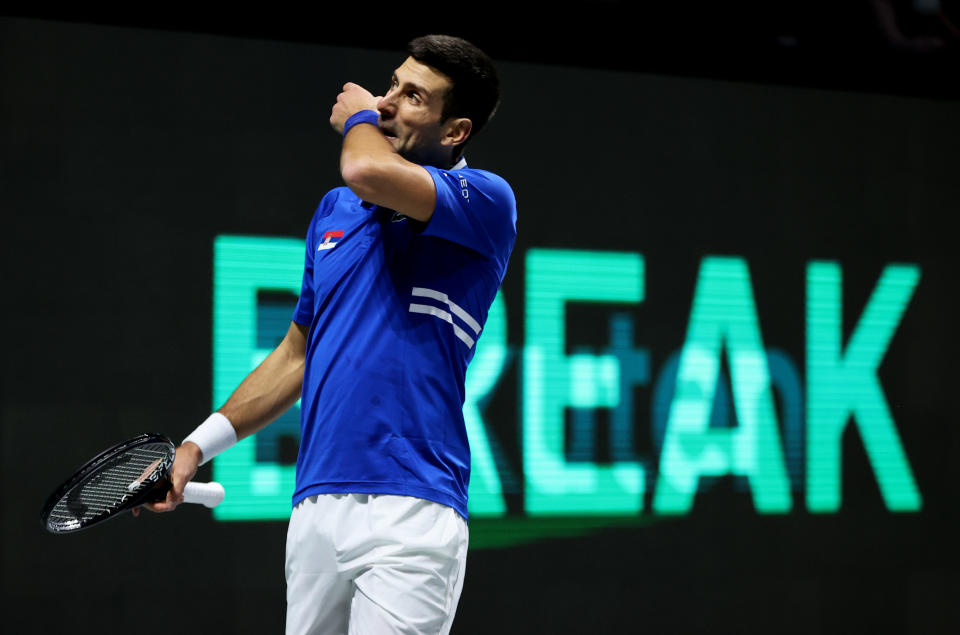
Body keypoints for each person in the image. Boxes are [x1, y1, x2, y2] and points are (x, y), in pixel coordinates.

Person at [141, 34, 517, 634]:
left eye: (413, 96)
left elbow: (366, 165)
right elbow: (296, 354)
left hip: (412, 507)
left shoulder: (487, 202)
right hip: (316, 504)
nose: (388, 102)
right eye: (391, 84)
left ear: (456, 131)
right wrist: (194, 446)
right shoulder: (336, 210)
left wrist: (361, 119)